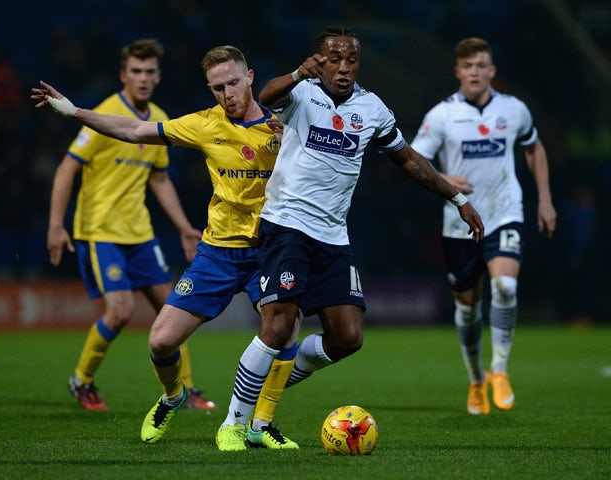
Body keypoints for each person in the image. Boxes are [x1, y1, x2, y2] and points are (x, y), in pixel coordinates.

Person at [215, 25, 485, 450]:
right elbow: (263, 97)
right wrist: (298, 73)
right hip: (286, 225)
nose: (343, 68)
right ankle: (234, 423)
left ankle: (267, 399)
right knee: (280, 323)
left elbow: (408, 159)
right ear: (319, 60)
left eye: (351, 60)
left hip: (332, 235)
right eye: (333, 59)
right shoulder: (301, 93)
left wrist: (455, 198)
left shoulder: (372, 108)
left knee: (347, 337)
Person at [33, 45, 299, 449]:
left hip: (269, 251)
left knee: (285, 329)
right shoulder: (204, 124)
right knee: (160, 341)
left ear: (249, 78)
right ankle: (173, 396)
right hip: (218, 253)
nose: (226, 94)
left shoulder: (288, 124)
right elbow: (132, 131)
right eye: (216, 88)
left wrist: (297, 144)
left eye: (232, 83)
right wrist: (74, 112)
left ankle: (260, 424)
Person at [44, 38, 215, 412]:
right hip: (100, 230)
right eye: (135, 71)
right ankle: (82, 380)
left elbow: (160, 179)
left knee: (175, 308)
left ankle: (185, 389)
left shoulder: (158, 117)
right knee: (120, 311)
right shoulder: (104, 114)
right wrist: (56, 224)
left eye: (149, 71)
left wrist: (185, 227)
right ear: (123, 74)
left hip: (140, 233)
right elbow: (67, 166)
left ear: (158, 76)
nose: (143, 78)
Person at [410, 37, 556, 415]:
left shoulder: (513, 110)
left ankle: (500, 370)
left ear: (492, 71)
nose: (476, 72)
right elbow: (411, 159)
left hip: (505, 212)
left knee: (505, 287)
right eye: (468, 66)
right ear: (458, 71)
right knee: (467, 311)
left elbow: (534, 148)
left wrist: (545, 200)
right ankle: (476, 379)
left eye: (482, 66)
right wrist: (444, 178)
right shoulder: (442, 115)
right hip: (460, 222)